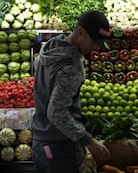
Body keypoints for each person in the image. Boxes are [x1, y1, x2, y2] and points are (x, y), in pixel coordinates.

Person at [32, 10, 112, 173]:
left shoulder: (51, 45)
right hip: (59, 147)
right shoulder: (72, 67)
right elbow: (56, 113)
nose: (96, 47)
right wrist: (88, 140)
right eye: (94, 41)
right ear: (81, 31)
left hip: (40, 142)